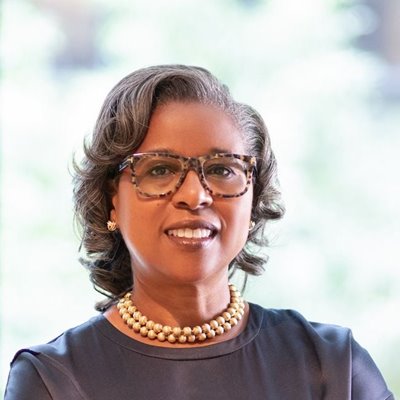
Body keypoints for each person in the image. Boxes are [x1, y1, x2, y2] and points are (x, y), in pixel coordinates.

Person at [5, 65, 394, 400]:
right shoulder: (52, 380)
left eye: (223, 169)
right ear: (111, 202)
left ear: (253, 199)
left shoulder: (332, 365)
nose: (195, 195)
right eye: (160, 169)